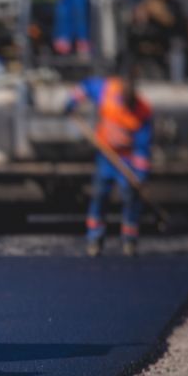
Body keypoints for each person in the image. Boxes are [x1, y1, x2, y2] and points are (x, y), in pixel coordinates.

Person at [66, 65, 153, 257]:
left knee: (131, 195)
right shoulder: (107, 91)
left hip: (127, 158)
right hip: (106, 155)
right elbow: (86, 87)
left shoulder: (143, 110)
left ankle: (129, 240)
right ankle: (95, 238)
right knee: (99, 194)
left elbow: (143, 145)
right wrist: (72, 101)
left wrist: (140, 173)